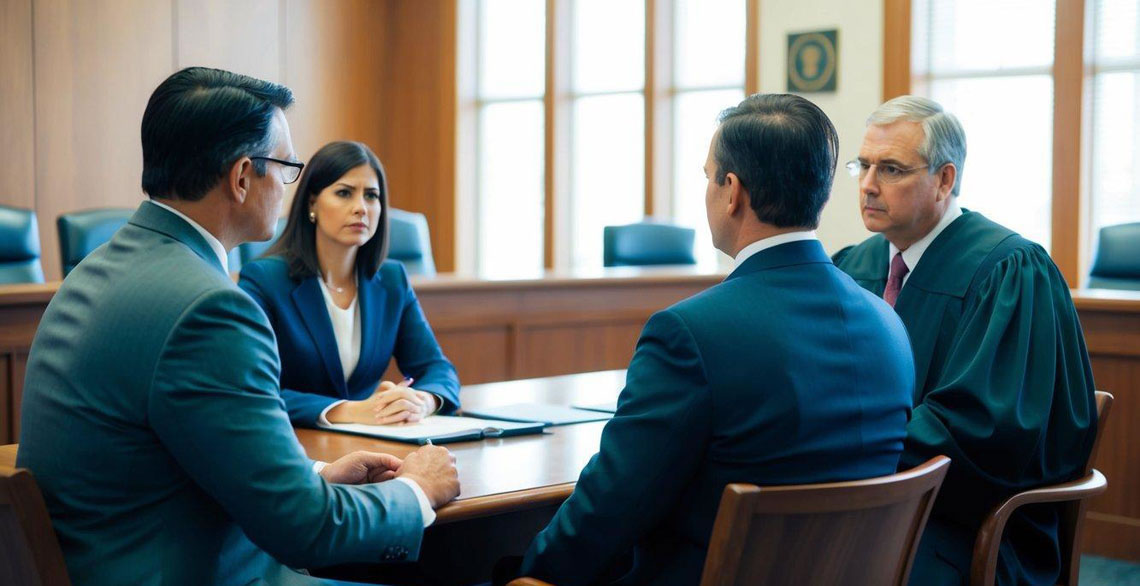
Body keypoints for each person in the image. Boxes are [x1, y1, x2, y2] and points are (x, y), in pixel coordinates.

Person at [16, 67, 460, 585]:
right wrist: (417, 492)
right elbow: (305, 529)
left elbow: (170, 451)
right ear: (243, 176)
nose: (288, 185)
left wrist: (312, 476)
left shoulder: (97, 269)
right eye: (287, 167)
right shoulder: (211, 308)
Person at [509, 94, 915, 586]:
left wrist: (526, 572)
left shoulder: (689, 333)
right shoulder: (889, 325)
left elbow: (613, 505)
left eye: (708, 176)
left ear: (732, 191)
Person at [832, 95, 1097, 586]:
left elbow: (984, 430)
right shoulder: (854, 265)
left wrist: (847, 445)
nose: (868, 186)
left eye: (890, 169)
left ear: (945, 179)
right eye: (863, 165)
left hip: (967, 521)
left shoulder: (1010, 271)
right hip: (868, 494)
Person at [238, 141, 459, 428]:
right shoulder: (265, 280)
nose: (361, 208)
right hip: (294, 446)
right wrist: (350, 411)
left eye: (371, 195)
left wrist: (422, 401)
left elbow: (437, 369)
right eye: (344, 193)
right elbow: (252, 388)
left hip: (374, 444)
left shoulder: (392, 280)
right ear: (312, 202)